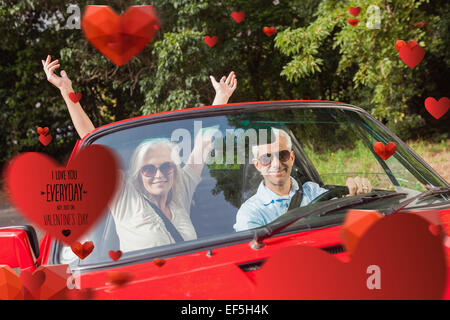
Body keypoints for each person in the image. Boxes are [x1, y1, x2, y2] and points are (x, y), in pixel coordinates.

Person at [42, 55, 237, 251]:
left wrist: (221, 96)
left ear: (174, 169)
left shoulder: (180, 190)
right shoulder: (125, 197)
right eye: (149, 169)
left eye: (166, 166)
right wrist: (66, 90)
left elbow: (203, 144)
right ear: (138, 172)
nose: (159, 175)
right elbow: (93, 142)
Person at [233, 128, 372, 232]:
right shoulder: (251, 212)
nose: (276, 164)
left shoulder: (312, 191)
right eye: (266, 158)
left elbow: (338, 213)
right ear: (257, 165)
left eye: (283, 155)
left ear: (292, 158)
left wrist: (352, 197)